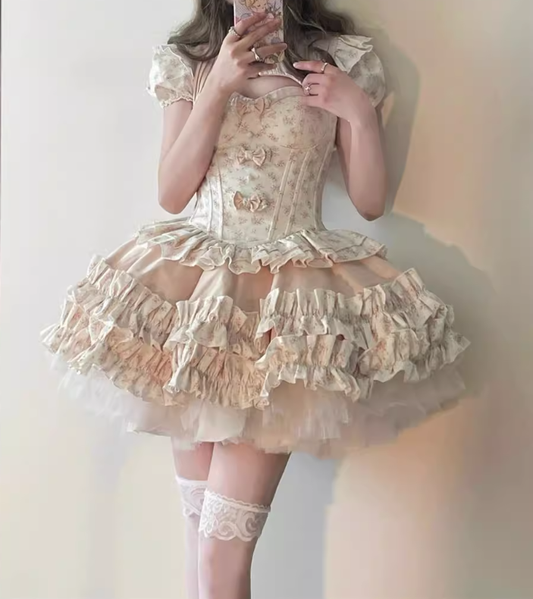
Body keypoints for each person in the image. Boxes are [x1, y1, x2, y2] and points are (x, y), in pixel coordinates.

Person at [42, 1, 470, 597]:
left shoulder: (338, 58)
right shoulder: (191, 60)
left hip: (284, 314)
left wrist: (357, 111)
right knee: (199, 539)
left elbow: (370, 201)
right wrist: (216, 86)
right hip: (198, 308)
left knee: (221, 551)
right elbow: (172, 193)